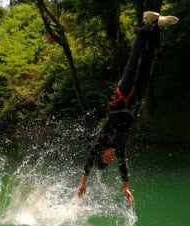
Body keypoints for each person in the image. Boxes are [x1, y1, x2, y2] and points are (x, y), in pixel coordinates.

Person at [77, 11, 179, 206]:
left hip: (122, 95)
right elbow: (123, 165)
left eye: (106, 158)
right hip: (134, 101)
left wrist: (83, 182)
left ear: (102, 154)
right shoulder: (119, 146)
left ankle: (144, 27)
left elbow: (89, 157)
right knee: (147, 66)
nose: (110, 157)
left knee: (133, 64)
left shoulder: (101, 140)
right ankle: (157, 27)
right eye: (110, 160)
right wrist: (125, 187)